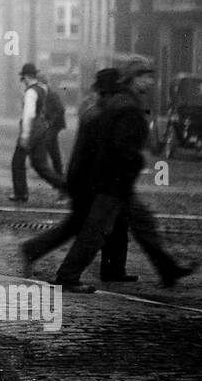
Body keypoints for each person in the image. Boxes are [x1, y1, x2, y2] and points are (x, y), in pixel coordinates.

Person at [53, 56, 195, 292]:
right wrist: (136, 160)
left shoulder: (125, 100)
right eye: (145, 77)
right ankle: (67, 275)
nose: (150, 82)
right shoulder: (126, 104)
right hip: (114, 181)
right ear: (133, 78)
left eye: (151, 77)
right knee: (95, 231)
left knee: (143, 223)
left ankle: (168, 269)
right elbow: (120, 147)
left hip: (117, 180)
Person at [18, 67, 120, 276]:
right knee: (91, 229)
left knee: (74, 226)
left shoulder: (93, 112)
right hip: (88, 183)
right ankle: (69, 273)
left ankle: (33, 250)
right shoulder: (98, 115)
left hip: (82, 180)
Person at [9, 62, 65, 202]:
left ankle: (21, 193)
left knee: (17, 162)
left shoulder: (30, 92)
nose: (23, 81)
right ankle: (66, 187)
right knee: (40, 165)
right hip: (41, 130)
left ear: (27, 77)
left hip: (32, 130)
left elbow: (29, 114)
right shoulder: (42, 89)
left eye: (23, 78)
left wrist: (25, 136)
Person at [39, 72, 68, 179]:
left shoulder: (52, 94)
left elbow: (60, 109)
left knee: (48, 143)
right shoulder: (43, 94)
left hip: (56, 124)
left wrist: (51, 121)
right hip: (50, 125)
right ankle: (58, 172)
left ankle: (52, 171)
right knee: (52, 147)